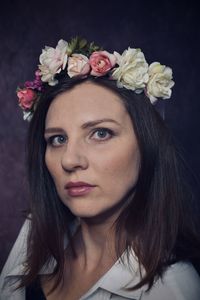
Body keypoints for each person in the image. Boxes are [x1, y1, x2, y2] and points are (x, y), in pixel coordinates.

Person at [0, 37, 200, 300]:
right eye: (58, 139)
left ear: (146, 144)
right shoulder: (33, 235)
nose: (69, 160)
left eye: (101, 133)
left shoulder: (174, 291)